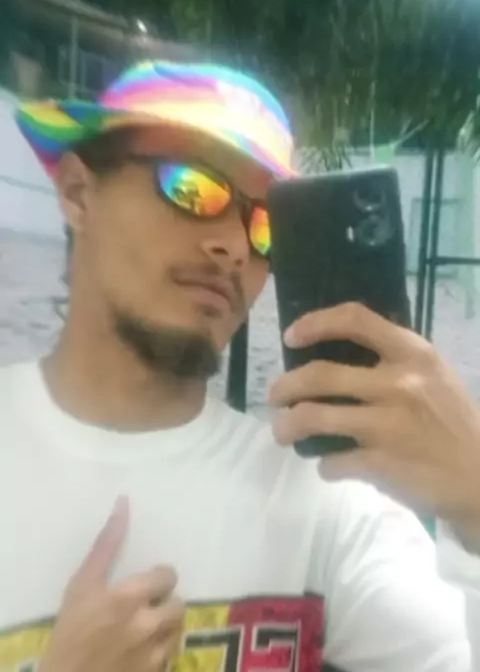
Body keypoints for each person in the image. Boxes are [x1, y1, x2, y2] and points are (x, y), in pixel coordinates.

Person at [1, 60, 480, 672]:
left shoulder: (321, 503)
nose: (233, 246)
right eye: (193, 188)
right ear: (77, 194)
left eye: (265, 225)